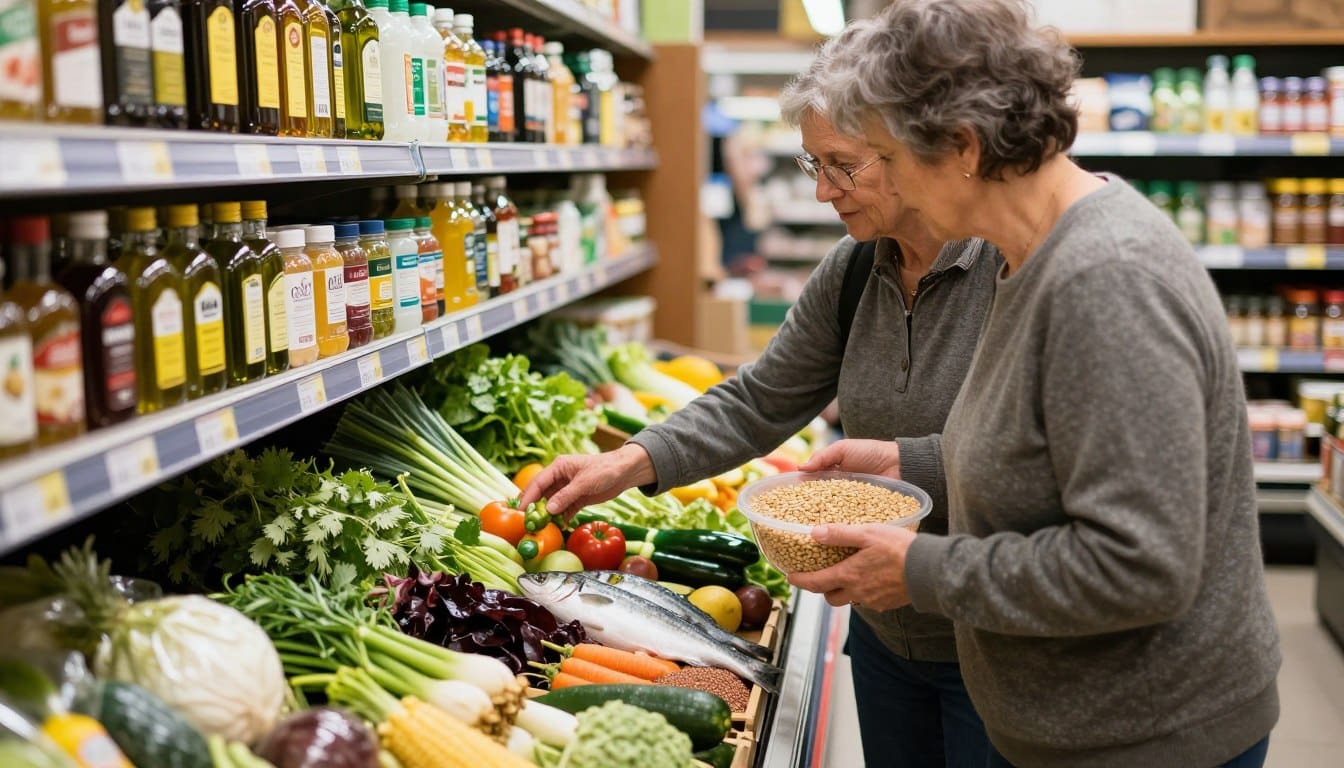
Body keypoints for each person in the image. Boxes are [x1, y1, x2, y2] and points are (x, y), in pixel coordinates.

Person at [787, 1, 1282, 766]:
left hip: (1144, 735)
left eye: (884, 156)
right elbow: (1049, 450)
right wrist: (913, 463)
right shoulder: (1027, 256)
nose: (880, 185)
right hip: (1063, 720)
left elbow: (1142, 565)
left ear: (962, 146)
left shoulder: (1106, 279)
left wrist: (921, 569)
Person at [522, 40, 1001, 768]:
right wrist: (628, 463)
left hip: (991, 644)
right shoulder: (853, 270)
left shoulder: (1012, 270)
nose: (824, 191)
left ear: (912, 147)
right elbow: (758, 399)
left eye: (843, 165)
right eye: (815, 165)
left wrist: (913, 463)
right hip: (883, 638)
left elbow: (1043, 455)